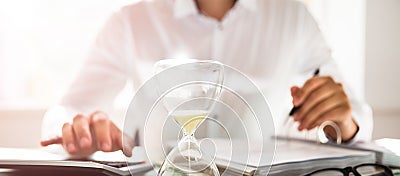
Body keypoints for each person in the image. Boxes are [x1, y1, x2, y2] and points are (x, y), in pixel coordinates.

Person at [41, 0, 373, 157]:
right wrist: (78, 129)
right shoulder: (132, 21)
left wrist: (343, 121)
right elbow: (67, 110)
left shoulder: (293, 17)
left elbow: (356, 121)